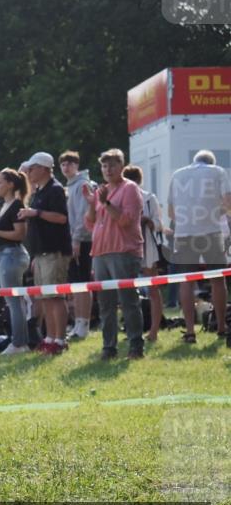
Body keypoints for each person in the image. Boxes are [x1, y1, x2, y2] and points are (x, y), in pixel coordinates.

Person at [83, 149, 145, 360]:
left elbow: (127, 220)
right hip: (100, 252)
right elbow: (91, 223)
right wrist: (93, 204)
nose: (108, 170)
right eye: (104, 166)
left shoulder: (130, 188)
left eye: (112, 165)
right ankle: (109, 347)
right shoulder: (102, 190)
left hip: (123, 251)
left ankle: (136, 345)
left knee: (128, 301)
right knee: (105, 304)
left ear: (121, 166)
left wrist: (107, 203)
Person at [167, 149, 231, 344]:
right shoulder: (218, 171)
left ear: (194, 161)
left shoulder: (177, 174)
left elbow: (171, 212)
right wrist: (212, 214)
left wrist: (190, 220)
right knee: (217, 280)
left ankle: (189, 331)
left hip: (185, 233)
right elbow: (228, 203)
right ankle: (221, 327)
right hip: (211, 232)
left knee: (186, 280)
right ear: (210, 161)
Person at [17, 152, 71, 355]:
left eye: (31, 168)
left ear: (44, 169)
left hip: (54, 251)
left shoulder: (55, 190)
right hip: (41, 253)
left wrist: (36, 213)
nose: (28, 172)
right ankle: (49, 337)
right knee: (45, 298)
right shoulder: (39, 191)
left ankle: (59, 339)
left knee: (56, 297)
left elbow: (61, 218)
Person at [0, 169, 31, 354]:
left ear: (10, 184)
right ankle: (20, 341)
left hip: (13, 255)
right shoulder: (5, 206)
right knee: (14, 301)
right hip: (5, 255)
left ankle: (19, 343)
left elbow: (19, 234)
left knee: (14, 302)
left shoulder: (17, 205)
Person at [123, 165, 164, 342]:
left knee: (153, 289)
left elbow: (159, 224)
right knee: (128, 292)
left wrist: (146, 221)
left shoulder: (148, 198)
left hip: (147, 247)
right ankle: (133, 330)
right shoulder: (120, 196)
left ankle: (154, 330)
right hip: (126, 246)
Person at [60, 151, 96, 340]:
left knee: (83, 283)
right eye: (63, 164)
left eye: (70, 164)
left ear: (77, 165)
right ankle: (78, 322)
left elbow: (83, 215)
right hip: (72, 239)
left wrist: (76, 239)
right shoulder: (70, 186)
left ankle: (84, 323)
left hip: (82, 240)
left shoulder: (82, 184)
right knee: (76, 284)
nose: (66, 167)